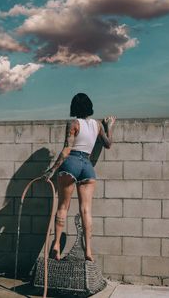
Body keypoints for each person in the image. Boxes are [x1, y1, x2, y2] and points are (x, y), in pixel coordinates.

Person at [43, 93, 116, 262]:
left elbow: (67, 149)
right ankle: (88, 250)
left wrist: (52, 170)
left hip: (72, 163)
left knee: (63, 207)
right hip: (87, 167)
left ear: (74, 107)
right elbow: (108, 144)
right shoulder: (97, 125)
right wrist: (109, 126)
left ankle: (56, 245)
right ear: (89, 106)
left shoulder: (73, 123)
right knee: (86, 210)